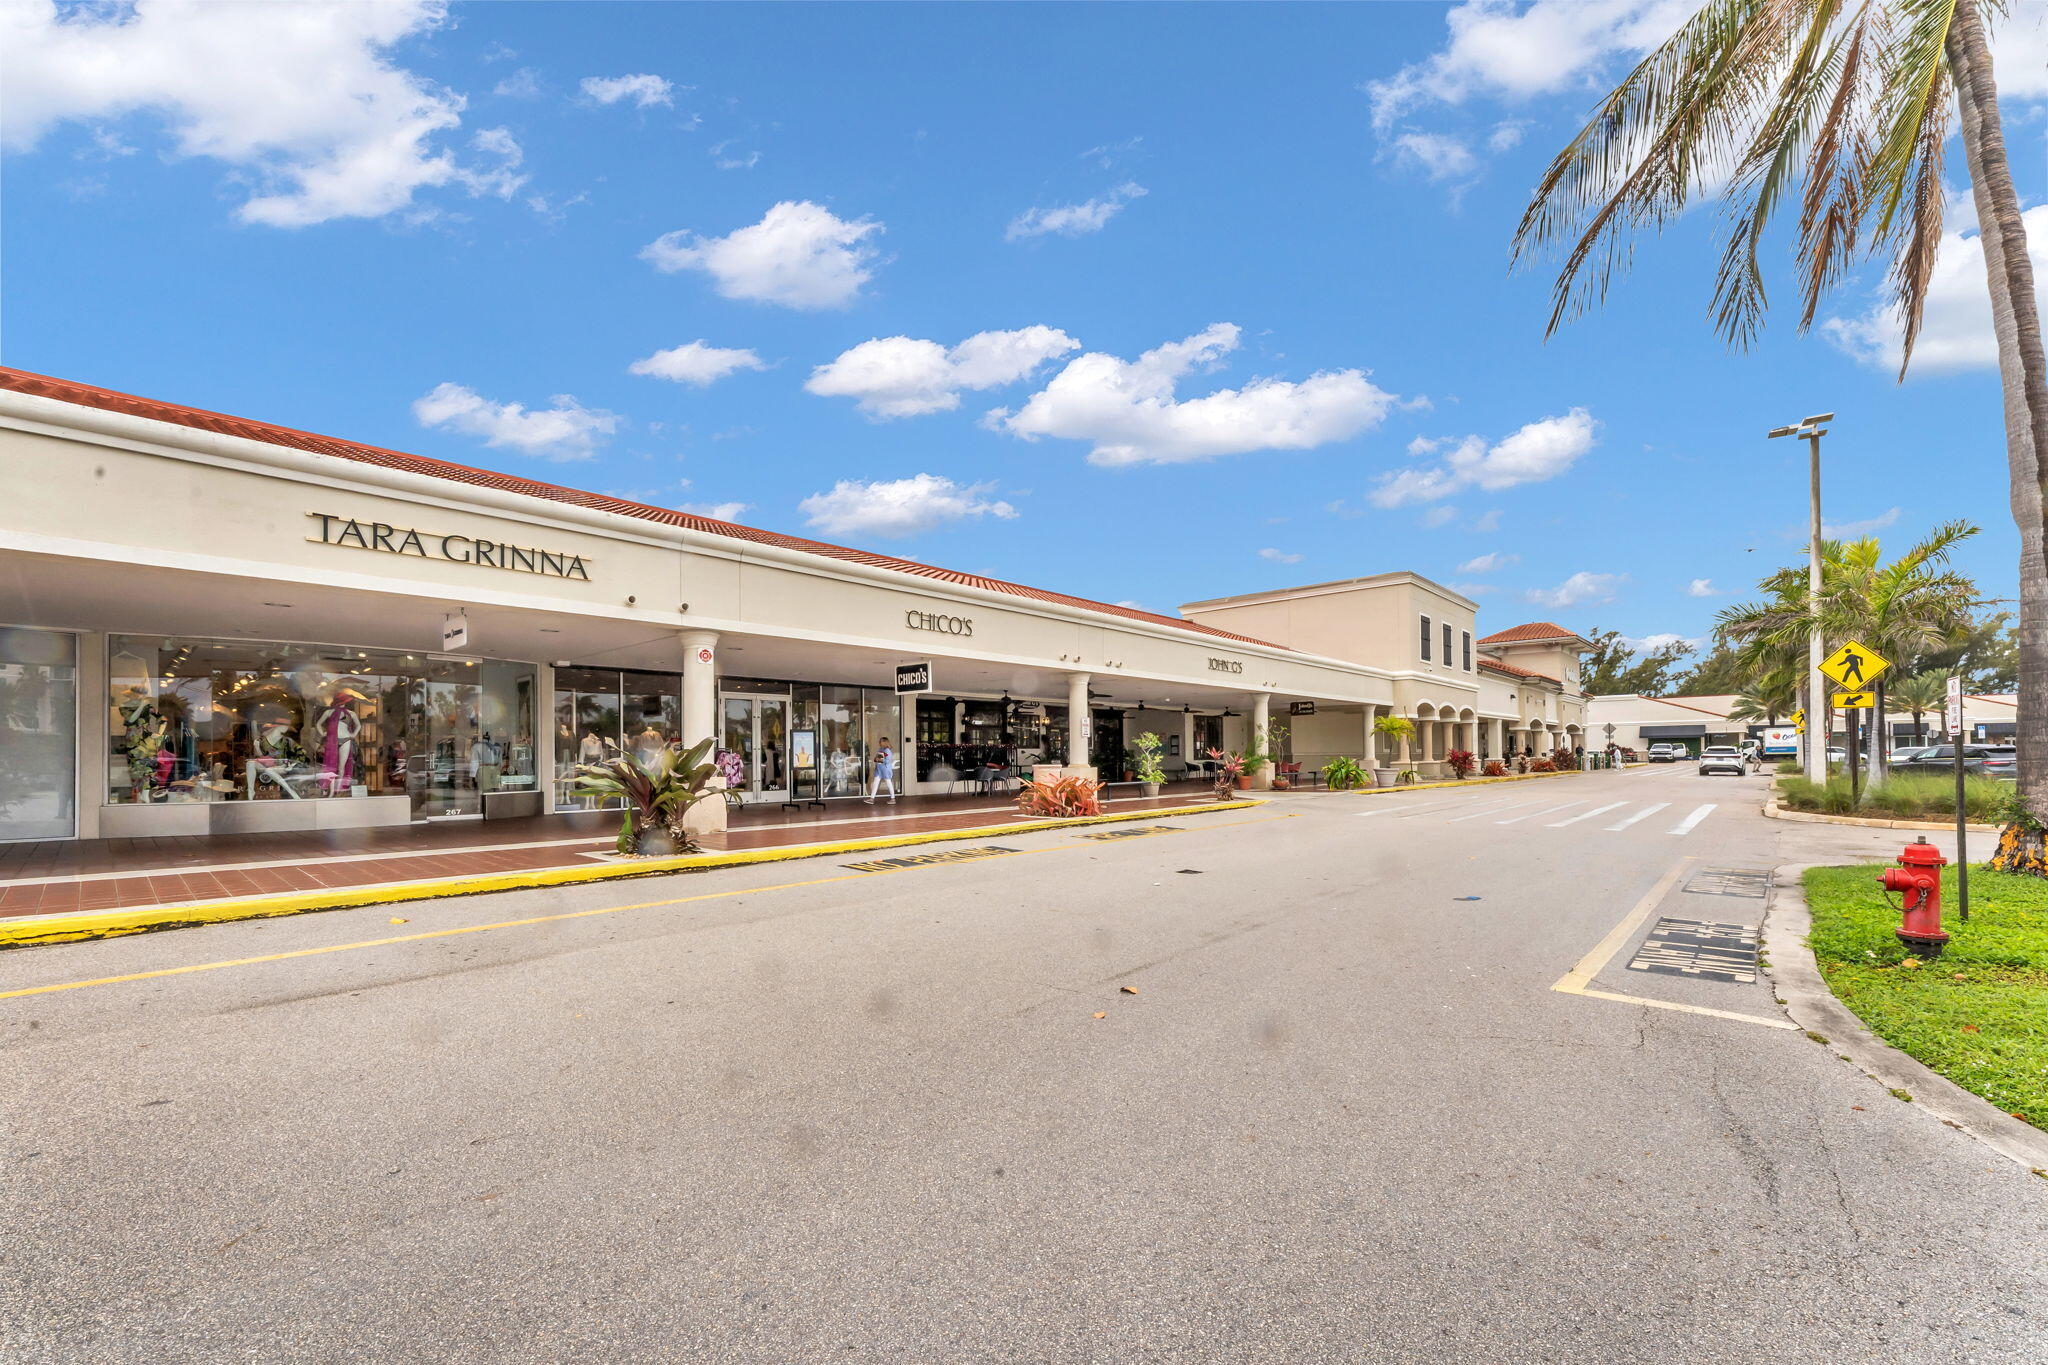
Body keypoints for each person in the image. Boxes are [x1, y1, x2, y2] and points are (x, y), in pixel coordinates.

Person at [864, 740, 897, 804]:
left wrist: (879, 759)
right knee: (875, 783)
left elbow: (887, 761)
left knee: (888, 783)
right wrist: (876, 759)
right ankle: (871, 799)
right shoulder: (880, 749)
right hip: (879, 769)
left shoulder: (887, 750)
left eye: (880, 742)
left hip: (885, 770)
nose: (879, 743)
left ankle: (893, 799)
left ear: (884, 742)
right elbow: (877, 758)